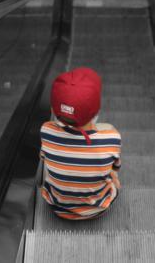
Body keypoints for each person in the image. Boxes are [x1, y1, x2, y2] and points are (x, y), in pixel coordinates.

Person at [39, 67, 122, 220]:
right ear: (96, 112)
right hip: (97, 209)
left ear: (53, 109)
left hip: (57, 206)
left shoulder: (46, 130)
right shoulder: (112, 137)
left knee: (47, 161)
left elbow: (44, 158)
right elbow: (116, 166)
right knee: (113, 175)